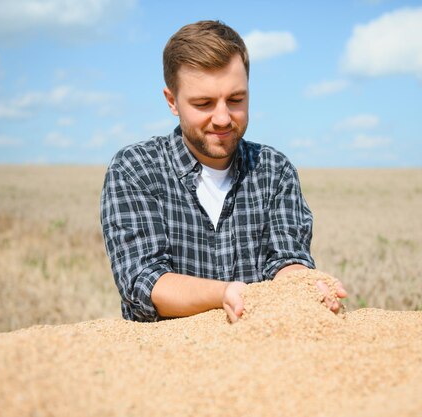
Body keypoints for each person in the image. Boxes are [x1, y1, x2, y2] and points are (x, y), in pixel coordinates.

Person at [100, 20, 346, 323]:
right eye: (203, 103)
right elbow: (143, 281)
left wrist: (303, 285)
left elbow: (286, 258)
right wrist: (225, 293)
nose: (222, 118)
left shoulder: (274, 171)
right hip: (163, 359)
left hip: (258, 356)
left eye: (236, 100)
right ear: (172, 101)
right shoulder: (135, 168)